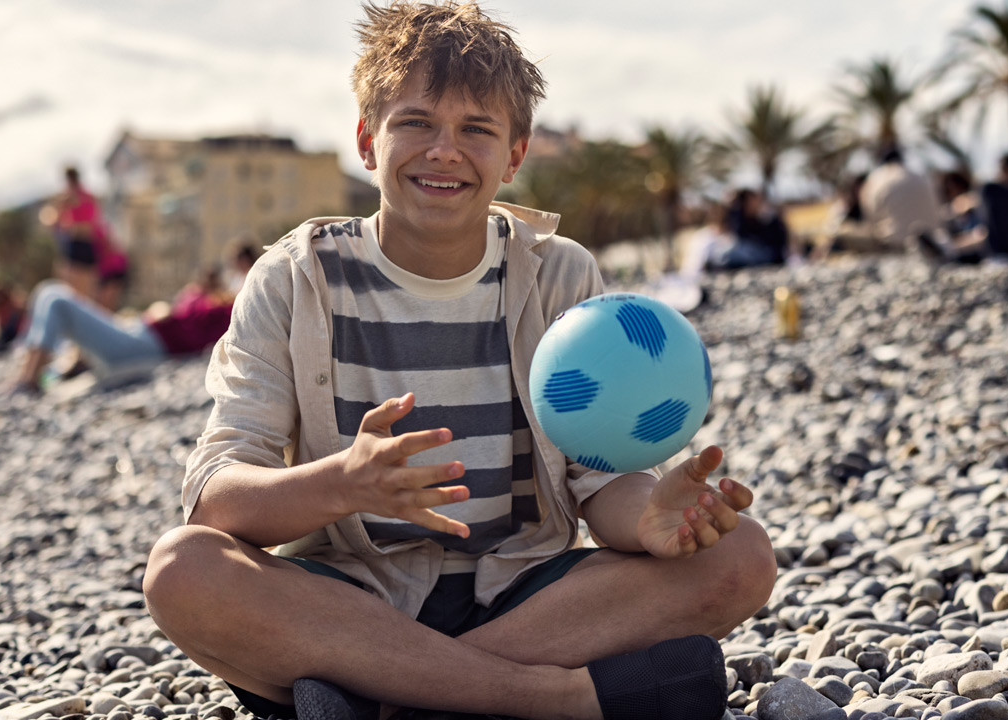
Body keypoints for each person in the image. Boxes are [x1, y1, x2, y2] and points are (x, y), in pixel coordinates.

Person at [142, 3, 777, 719]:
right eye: (416, 122)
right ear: (366, 140)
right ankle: (549, 698)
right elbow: (215, 499)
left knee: (742, 556)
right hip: (351, 598)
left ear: (514, 155)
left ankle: (391, 699)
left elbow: (600, 487)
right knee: (181, 569)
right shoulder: (295, 278)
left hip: (527, 593)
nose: (444, 150)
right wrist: (342, 483)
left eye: (476, 130)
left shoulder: (561, 277)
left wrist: (652, 517)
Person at [11, 265, 233, 394]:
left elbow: (203, 338)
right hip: (137, 331)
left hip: (143, 344)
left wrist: (167, 314)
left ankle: (29, 379)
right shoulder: (202, 298)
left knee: (55, 297)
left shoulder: (226, 309)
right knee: (47, 292)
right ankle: (27, 373)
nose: (206, 280)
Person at [41, 166, 123, 303]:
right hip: (83, 245)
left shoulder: (70, 197)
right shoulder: (84, 196)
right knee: (81, 292)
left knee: (74, 291)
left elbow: (55, 221)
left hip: (79, 245)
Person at [860, 147, 944, 255]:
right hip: (934, 237)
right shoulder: (922, 176)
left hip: (894, 243)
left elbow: (870, 218)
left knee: (843, 234)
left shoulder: (876, 179)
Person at [709, 188, 788, 268]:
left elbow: (777, 243)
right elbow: (738, 236)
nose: (752, 204)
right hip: (748, 253)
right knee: (725, 254)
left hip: (767, 255)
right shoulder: (740, 218)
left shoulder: (768, 218)